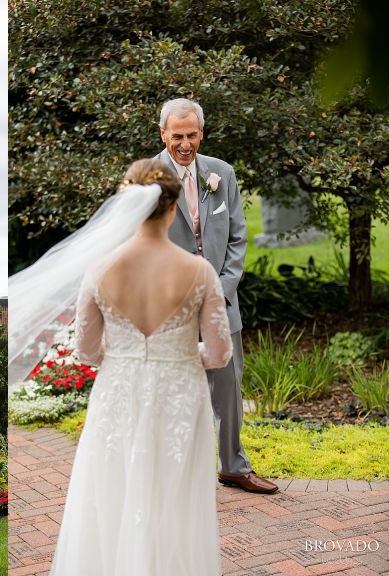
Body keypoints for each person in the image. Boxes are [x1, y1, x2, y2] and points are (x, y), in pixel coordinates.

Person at [31, 159, 231, 575]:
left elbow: (86, 350)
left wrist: (125, 356)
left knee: (112, 492)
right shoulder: (200, 272)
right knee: (175, 501)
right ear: (173, 208)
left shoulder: (100, 269)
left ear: (127, 206)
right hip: (179, 397)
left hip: (117, 393)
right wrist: (175, 353)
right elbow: (218, 355)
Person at [156, 98, 278, 494]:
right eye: (178, 136)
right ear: (163, 134)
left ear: (201, 133)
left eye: (192, 135)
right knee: (174, 392)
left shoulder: (221, 174)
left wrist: (219, 291)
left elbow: (238, 238)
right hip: (172, 308)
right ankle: (176, 476)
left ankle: (233, 467)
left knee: (228, 387)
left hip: (222, 305)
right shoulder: (149, 178)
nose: (185, 144)